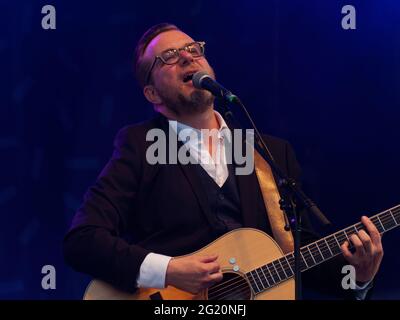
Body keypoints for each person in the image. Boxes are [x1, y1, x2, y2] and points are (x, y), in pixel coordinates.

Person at [63, 23, 383, 299]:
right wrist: (169, 271)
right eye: (169, 57)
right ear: (152, 94)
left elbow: (298, 258)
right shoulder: (140, 146)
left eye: (193, 49)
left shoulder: (269, 153)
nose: (188, 56)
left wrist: (359, 276)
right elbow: (83, 241)